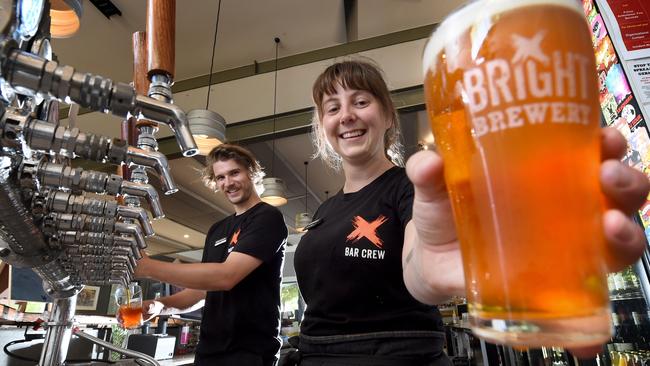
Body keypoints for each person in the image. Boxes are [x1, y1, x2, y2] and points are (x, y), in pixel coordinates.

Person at [288, 59, 650, 365]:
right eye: (333, 108)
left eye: (361, 102)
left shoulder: (411, 187)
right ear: (324, 126)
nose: (347, 116)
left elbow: (421, 268)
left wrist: (434, 273)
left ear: (387, 116)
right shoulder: (326, 208)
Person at [134, 143, 288, 366]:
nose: (228, 183)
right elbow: (202, 290)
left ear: (252, 172)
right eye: (221, 177)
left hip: (250, 353)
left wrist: (148, 267)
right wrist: (161, 306)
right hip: (209, 351)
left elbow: (226, 277)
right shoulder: (217, 229)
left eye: (235, 173)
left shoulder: (267, 218)